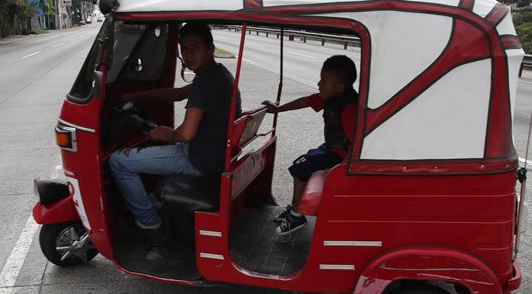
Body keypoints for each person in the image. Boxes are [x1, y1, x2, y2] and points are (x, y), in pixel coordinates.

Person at [108, 22, 241, 257]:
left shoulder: (206, 82)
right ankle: (156, 207)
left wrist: (166, 133)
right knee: (160, 147)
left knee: (119, 161)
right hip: (216, 154)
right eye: (184, 48)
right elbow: (178, 94)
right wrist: (139, 95)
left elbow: (186, 134)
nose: (188, 54)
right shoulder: (217, 74)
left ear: (210, 49)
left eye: (196, 47)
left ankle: (151, 225)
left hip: (199, 159)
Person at [262, 54, 359, 235]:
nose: (318, 84)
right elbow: (305, 101)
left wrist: (342, 167)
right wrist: (278, 109)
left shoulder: (348, 108)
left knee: (300, 169)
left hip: (340, 155)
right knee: (301, 162)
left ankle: (297, 215)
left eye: (323, 80)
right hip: (331, 148)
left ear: (339, 87)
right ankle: (294, 206)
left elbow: (356, 142)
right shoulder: (332, 96)